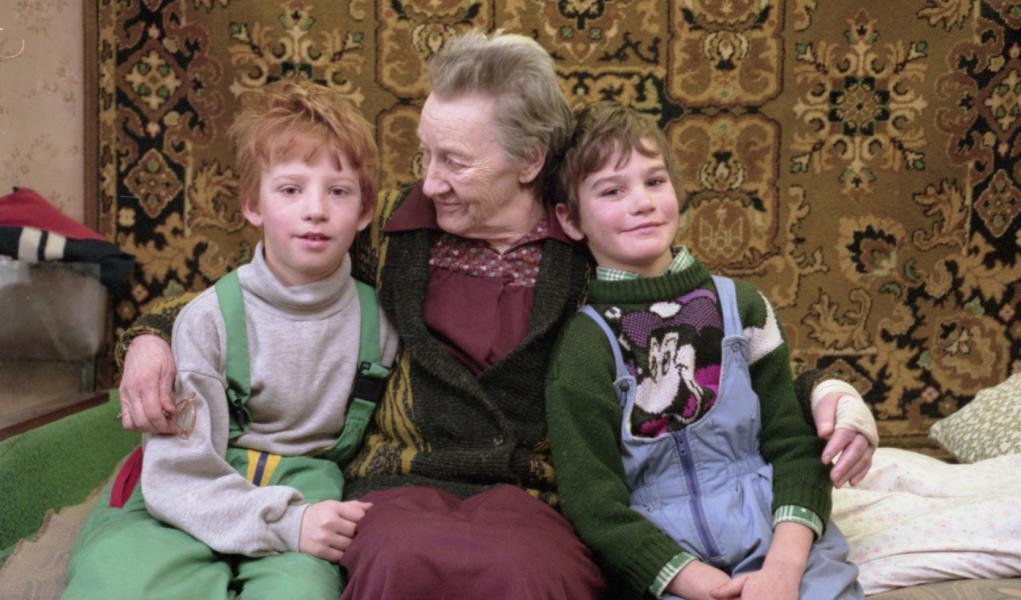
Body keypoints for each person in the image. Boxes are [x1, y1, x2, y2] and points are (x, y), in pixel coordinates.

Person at [114, 30, 877, 598]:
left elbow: (709, 332)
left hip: (536, 490)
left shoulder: (591, 246)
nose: (429, 180)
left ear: (529, 161)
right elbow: (273, 280)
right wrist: (153, 334)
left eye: (453, 161)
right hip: (403, 477)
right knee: (397, 560)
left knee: (529, 576)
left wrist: (826, 390)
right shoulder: (397, 232)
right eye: (424, 154)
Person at [62, 80, 398, 599]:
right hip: (192, 489)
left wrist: (300, 523)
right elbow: (178, 473)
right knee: (120, 582)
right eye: (290, 190)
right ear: (252, 205)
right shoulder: (208, 319)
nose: (316, 209)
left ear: (366, 209)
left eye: (338, 191)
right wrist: (281, 523)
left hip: (307, 501)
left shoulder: (382, 323)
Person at [546, 102, 864, 600]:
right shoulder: (584, 347)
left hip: (781, 542)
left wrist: (784, 567)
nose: (642, 202)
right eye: (612, 190)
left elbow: (792, 442)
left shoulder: (743, 306)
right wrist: (699, 582)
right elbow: (593, 503)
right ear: (570, 219)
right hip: (668, 565)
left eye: (655, 181)